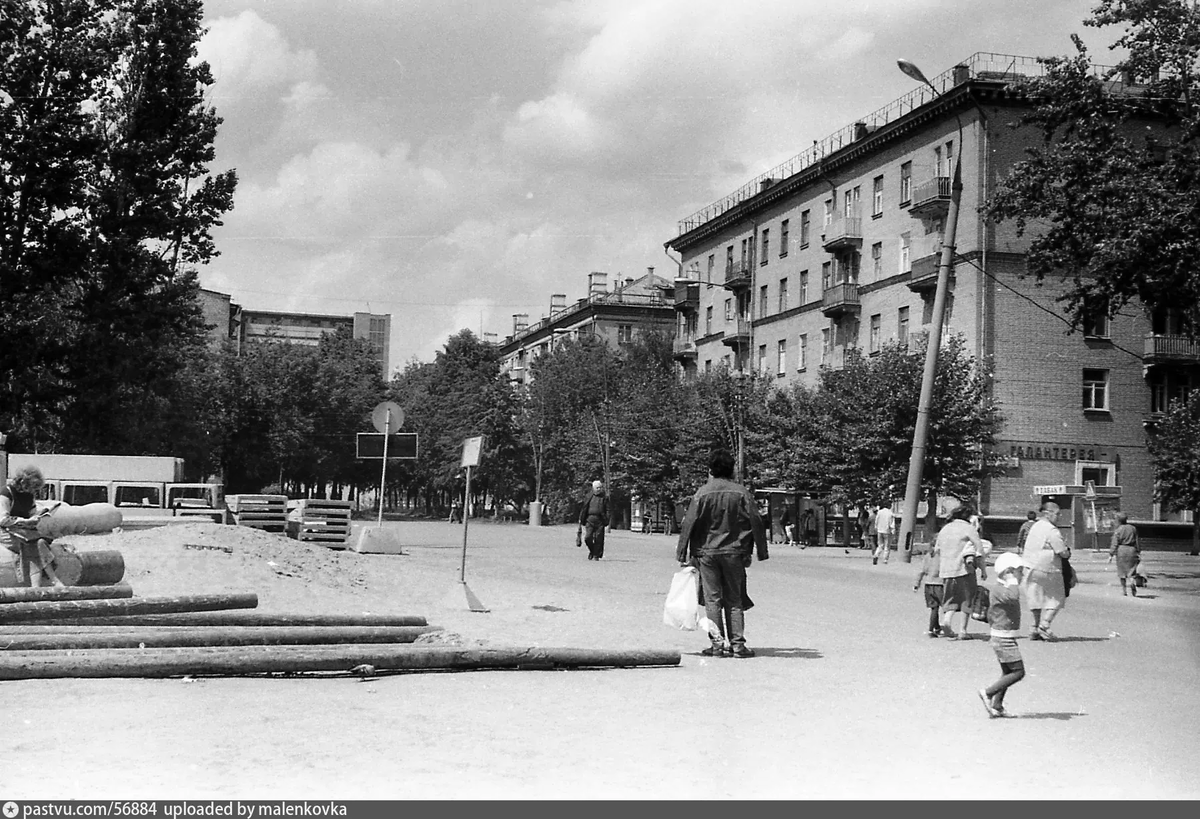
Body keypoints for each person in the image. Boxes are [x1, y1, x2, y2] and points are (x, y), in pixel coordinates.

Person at [676, 449, 769, 658]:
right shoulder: (741, 492)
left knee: (712, 600)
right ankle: (738, 646)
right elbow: (756, 521)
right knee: (734, 600)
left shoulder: (702, 493)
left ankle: (717, 645)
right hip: (735, 552)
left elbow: (689, 522)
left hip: (707, 553)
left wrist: (683, 553)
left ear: (710, 470)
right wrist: (760, 551)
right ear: (732, 470)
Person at [979, 552, 1027, 718]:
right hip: (1002, 637)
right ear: (1009, 572)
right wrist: (1012, 579)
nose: (1022, 575)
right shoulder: (1000, 589)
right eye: (1019, 571)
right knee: (1018, 672)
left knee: (1007, 672)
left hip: (1004, 636)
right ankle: (988, 693)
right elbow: (1013, 597)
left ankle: (997, 706)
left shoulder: (1002, 588)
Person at [0, 465, 57, 587]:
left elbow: (31, 512)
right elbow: (2, 519)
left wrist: (37, 517)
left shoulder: (29, 495)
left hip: (22, 530)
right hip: (5, 530)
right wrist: (25, 521)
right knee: (32, 544)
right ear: (24, 482)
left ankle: (40, 584)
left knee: (40, 542)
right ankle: (49, 581)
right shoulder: (6, 493)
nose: (34, 491)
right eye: (33, 487)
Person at [1022, 501, 1070, 641]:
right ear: (1047, 513)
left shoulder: (1035, 526)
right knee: (1056, 596)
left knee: (1035, 597)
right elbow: (1061, 551)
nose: (1059, 517)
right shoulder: (1051, 530)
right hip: (1048, 568)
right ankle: (1045, 624)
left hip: (1031, 566)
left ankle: (1033, 628)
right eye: (1057, 514)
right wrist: (1066, 552)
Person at [937, 504, 986, 640]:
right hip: (964, 570)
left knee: (950, 598)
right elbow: (979, 550)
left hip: (946, 570)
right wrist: (983, 569)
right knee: (966, 599)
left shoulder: (945, 529)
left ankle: (946, 620)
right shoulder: (969, 529)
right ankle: (963, 631)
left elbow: (937, 549)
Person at [914, 541, 944, 637]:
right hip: (940, 584)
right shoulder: (943, 557)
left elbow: (921, 571)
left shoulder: (928, 556)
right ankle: (932, 629)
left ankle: (937, 628)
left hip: (928, 584)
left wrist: (916, 584)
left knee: (934, 608)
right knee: (944, 607)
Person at [1109, 513, 1141, 597]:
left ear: (1118, 520)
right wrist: (1138, 551)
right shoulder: (1133, 528)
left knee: (1122, 572)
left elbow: (1115, 543)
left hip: (1121, 551)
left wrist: (1111, 554)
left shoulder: (1118, 530)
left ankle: (1124, 591)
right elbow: (1137, 541)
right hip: (1132, 550)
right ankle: (1132, 582)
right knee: (1132, 571)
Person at [578, 479, 609, 561]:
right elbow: (584, 508)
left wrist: (607, 519)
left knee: (599, 538)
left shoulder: (604, 497)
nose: (599, 489)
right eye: (597, 488)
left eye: (600, 487)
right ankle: (592, 551)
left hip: (600, 520)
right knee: (587, 538)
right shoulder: (589, 496)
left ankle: (596, 555)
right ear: (593, 488)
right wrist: (581, 519)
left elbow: (608, 509)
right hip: (589, 520)